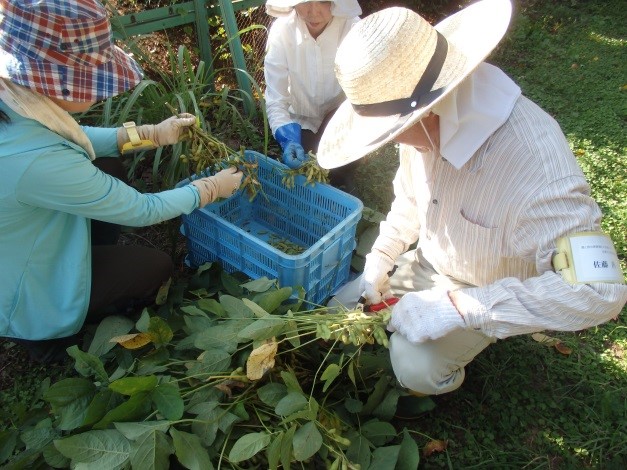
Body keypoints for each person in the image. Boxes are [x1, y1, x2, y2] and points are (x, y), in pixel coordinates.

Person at [317, 0, 627, 397]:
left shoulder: (537, 168)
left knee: (415, 368)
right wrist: (383, 254)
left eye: (393, 132)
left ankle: (451, 364)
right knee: (337, 311)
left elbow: (600, 292)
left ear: (427, 113)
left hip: (488, 285)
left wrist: (461, 307)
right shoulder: (424, 123)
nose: (393, 141)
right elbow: (410, 198)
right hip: (432, 261)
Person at [0, 0, 244, 363]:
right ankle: (48, 342)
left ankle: (91, 255)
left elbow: (70, 137)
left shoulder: (16, 101)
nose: (101, 90)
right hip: (29, 290)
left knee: (108, 165)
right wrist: (207, 190)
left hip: (30, 240)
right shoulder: (36, 162)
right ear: (61, 84)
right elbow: (141, 210)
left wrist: (150, 134)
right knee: (155, 268)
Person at [264, 0, 362, 193]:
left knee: (337, 167)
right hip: (301, 120)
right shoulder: (282, 32)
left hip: (339, 115)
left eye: (323, 1)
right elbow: (276, 99)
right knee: (303, 167)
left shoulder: (352, 28)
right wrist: (287, 138)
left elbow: (363, 89)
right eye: (305, 2)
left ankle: (343, 175)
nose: (313, 12)